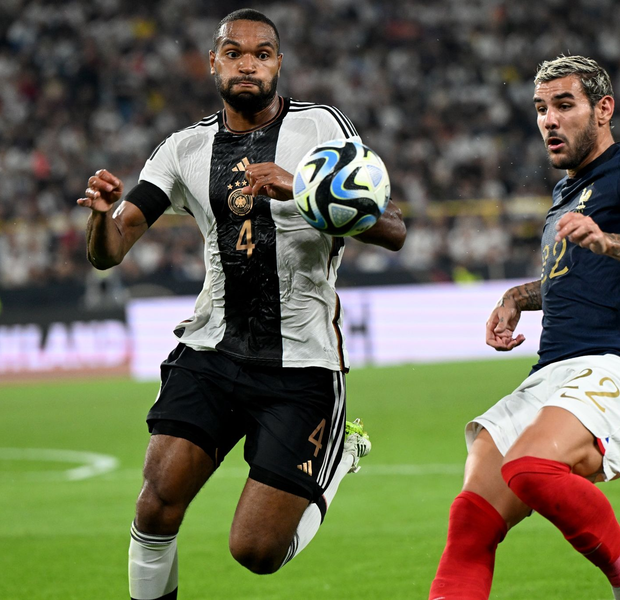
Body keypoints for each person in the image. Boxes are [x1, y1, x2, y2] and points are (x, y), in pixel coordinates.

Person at [78, 9, 406, 600]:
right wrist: (103, 218)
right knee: (155, 506)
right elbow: (111, 251)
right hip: (211, 351)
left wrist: (306, 191)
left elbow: (394, 228)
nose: (247, 63)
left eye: (261, 53)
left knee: (255, 552)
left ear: (279, 63)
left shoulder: (324, 129)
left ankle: (338, 457)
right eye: (233, 52)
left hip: (302, 363)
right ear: (213, 63)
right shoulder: (183, 149)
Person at [429, 55, 620, 600]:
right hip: (552, 370)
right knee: (471, 520)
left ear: (603, 110)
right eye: (539, 109)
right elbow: (571, 279)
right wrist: (515, 297)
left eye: (563, 105)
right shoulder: (562, 200)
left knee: (531, 468)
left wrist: (609, 240)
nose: (548, 120)